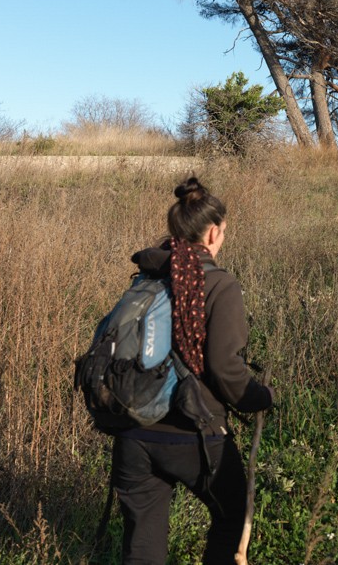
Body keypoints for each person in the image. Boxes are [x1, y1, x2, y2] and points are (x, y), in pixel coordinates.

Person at [111, 177, 273, 564]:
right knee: (232, 513)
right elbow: (223, 368)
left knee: (142, 544)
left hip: (131, 432)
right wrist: (260, 398)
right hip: (194, 433)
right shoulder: (219, 284)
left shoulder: (145, 277)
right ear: (214, 232)